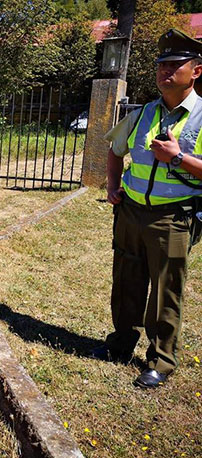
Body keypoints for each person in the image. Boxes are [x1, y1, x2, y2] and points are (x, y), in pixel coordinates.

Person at [93, 28, 202, 388]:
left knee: (165, 290)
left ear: (196, 71)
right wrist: (112, 185)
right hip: (131, 212)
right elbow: (114, 149)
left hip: (172, 218)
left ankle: (160, 360)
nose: (164, 71)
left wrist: (180, 157)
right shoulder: (142, 114)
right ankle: (121, 343)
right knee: (126, 281)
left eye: (174, 64)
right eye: (161, 65)